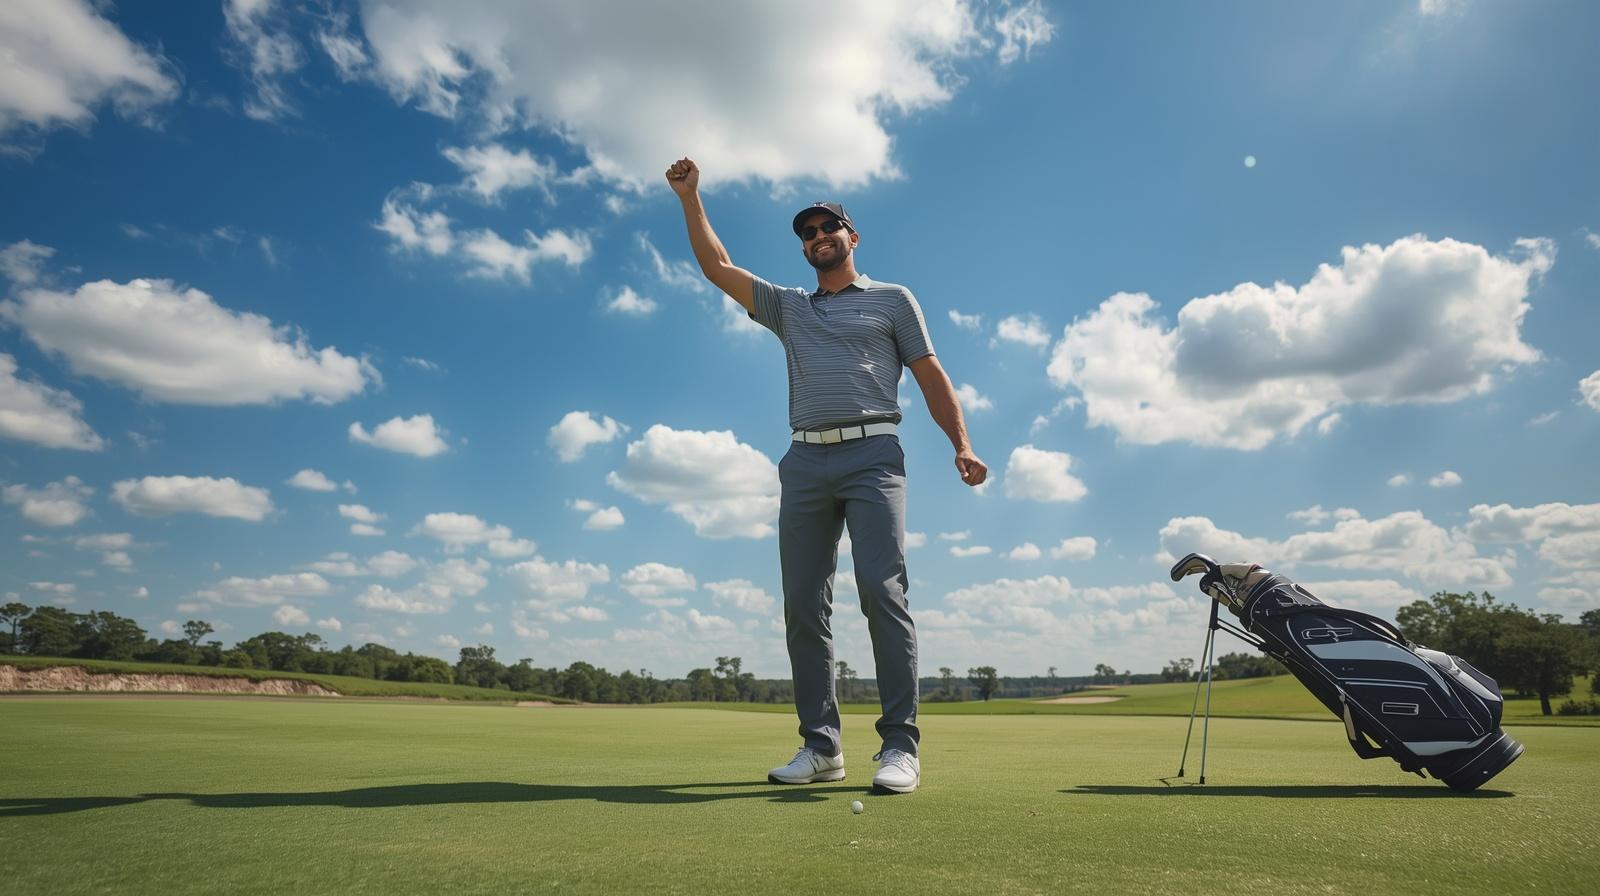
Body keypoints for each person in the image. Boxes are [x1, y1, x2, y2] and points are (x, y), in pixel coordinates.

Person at [665, 157, 987, 795]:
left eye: (828, 227)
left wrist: (962, 444)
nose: (818, 237)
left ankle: (899, 747)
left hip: (874, 455)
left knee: (882, 591)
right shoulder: (788, 308)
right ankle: (821, 747)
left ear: (851, 236)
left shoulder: (894, 300)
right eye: (808, 233)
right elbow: (717, 267)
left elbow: (930, 375)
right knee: (803, 605)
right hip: (806, 461)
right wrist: (690, 197)